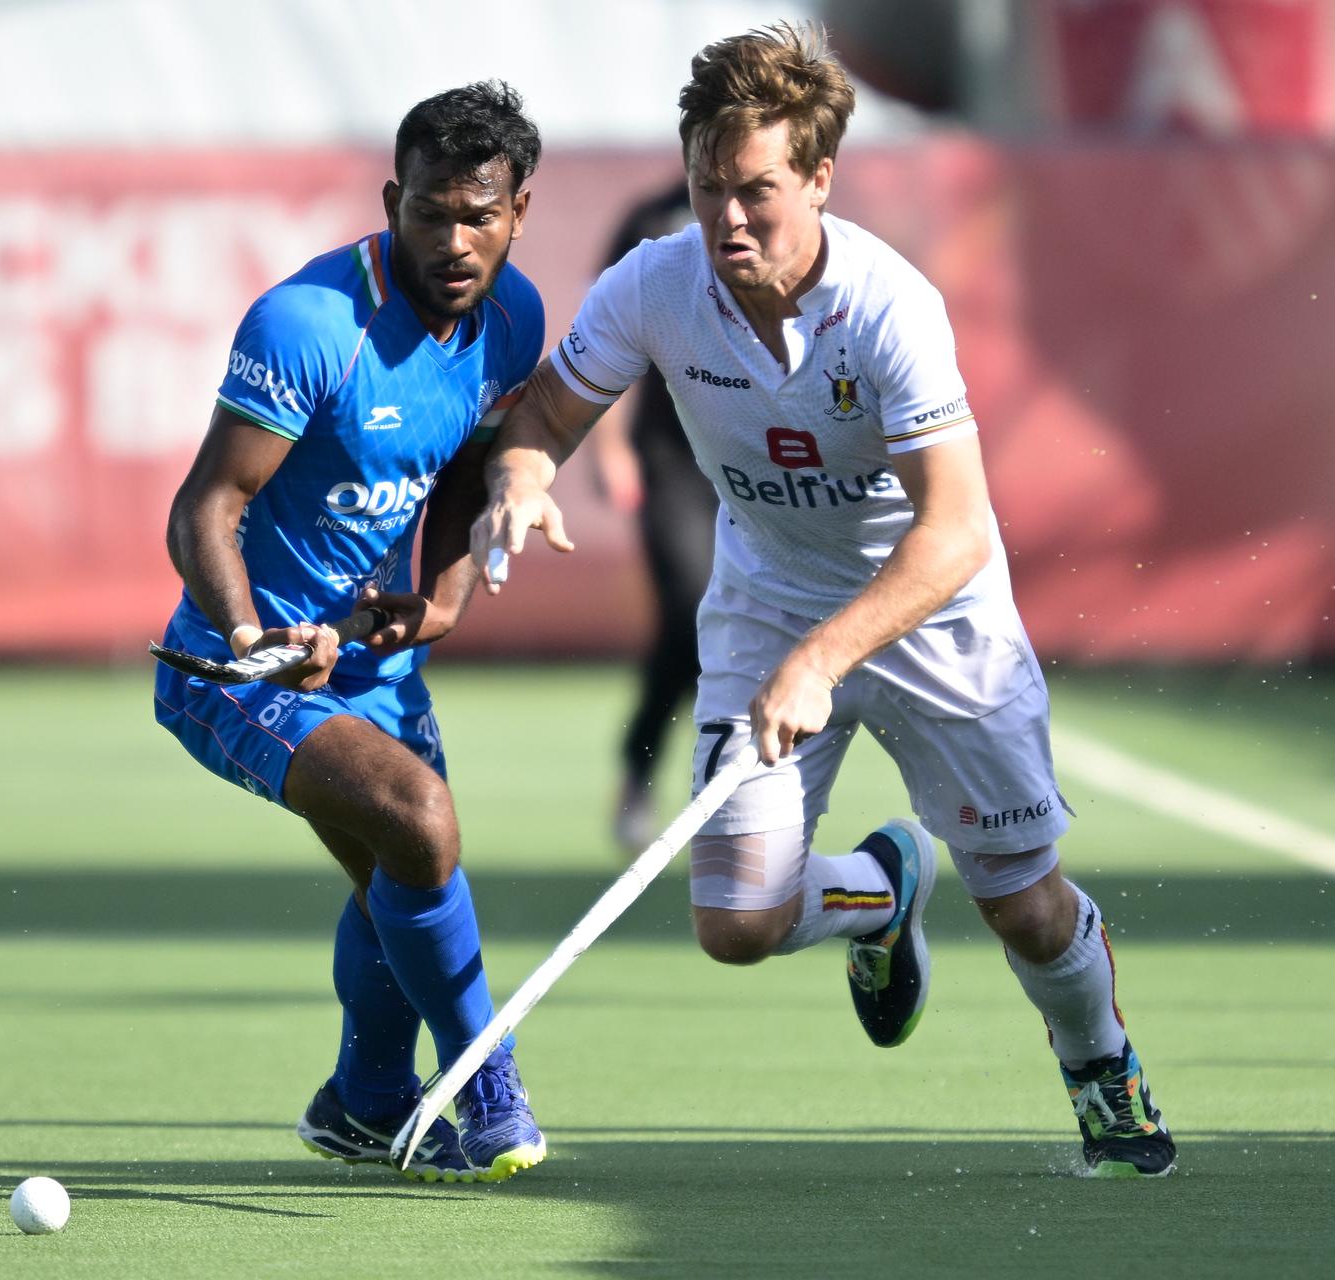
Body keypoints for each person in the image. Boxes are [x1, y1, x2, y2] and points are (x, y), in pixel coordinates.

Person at [471, 24, 1175, 1177]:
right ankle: (882, 889)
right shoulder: (658, 280)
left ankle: (1102, 1067)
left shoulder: (891, 308)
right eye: (709, 189)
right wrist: (520, 475)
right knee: (736, 922)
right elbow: (546, 413)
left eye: (757, 192)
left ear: (819, 178)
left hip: (932, 613)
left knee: (1024, 905)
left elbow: (954, 531)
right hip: (766, 600)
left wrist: (826, 658)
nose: (728, 220)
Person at [154, 82, 547, 1184]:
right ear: (392, 199)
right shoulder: (310, 323)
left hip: (377, 659)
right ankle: (486, 1078)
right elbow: (205, 510)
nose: (454, 240)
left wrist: (445, 596)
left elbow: (471, 463)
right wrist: (250, 637)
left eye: (480, 214)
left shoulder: (515, 314)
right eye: (430, 212)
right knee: (420, 823)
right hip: (239, 669)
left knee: (398, 877)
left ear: (521, 211)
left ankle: (364, 1103)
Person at [585, 178, 722, 852]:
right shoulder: (651, 217)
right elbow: (605, 337)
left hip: (759, 455)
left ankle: (732, 792)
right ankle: (646, 774)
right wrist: (610, 449)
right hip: (673, 461)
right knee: (696, 607)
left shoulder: (780, 208)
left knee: (721, 624)